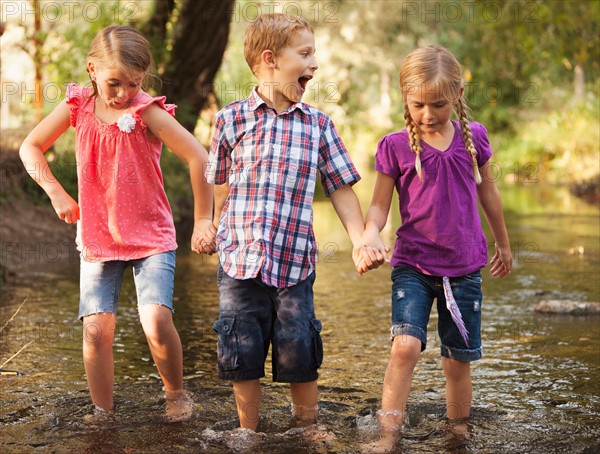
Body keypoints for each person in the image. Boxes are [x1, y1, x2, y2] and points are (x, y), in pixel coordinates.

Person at [19, 25, 215, 424]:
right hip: (98, 236)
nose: (124, 93)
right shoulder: (77, 106)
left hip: (152, 235)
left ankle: (176, 394)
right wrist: (56, 192)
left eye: (134, 83)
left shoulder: (148, 112)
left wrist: (202, 220)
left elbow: (199, 157)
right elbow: (30, 146)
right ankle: (102, 412)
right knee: (96, 328)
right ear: (92, 70)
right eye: (114, 83)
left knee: (156, 320)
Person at [205, 13, 365, 431]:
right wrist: (208, 223)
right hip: (239, 260)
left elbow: (341, 188)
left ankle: (307, 429)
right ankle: (248, 431)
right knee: (241, 346)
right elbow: (218, 183)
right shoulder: (230, 120)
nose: (315, 63)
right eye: (306, 54)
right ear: (270, 58)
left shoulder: (318, 125)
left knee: (299, 343)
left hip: (294, 263)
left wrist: (363, 237)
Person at [358, 44, 513, 444]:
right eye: (419, 105)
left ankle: (457, 434)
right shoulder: (394, 146)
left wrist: (503, 243)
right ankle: (389, 432)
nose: (428, 115)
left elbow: (489, 194)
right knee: (405, 347)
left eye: (439, 105)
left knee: (456, 361)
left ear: (458, 95)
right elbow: (378, 206)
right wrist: (369, 233)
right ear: (405, 100)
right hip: (412, 265)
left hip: (464, 269)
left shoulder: (473, 137)